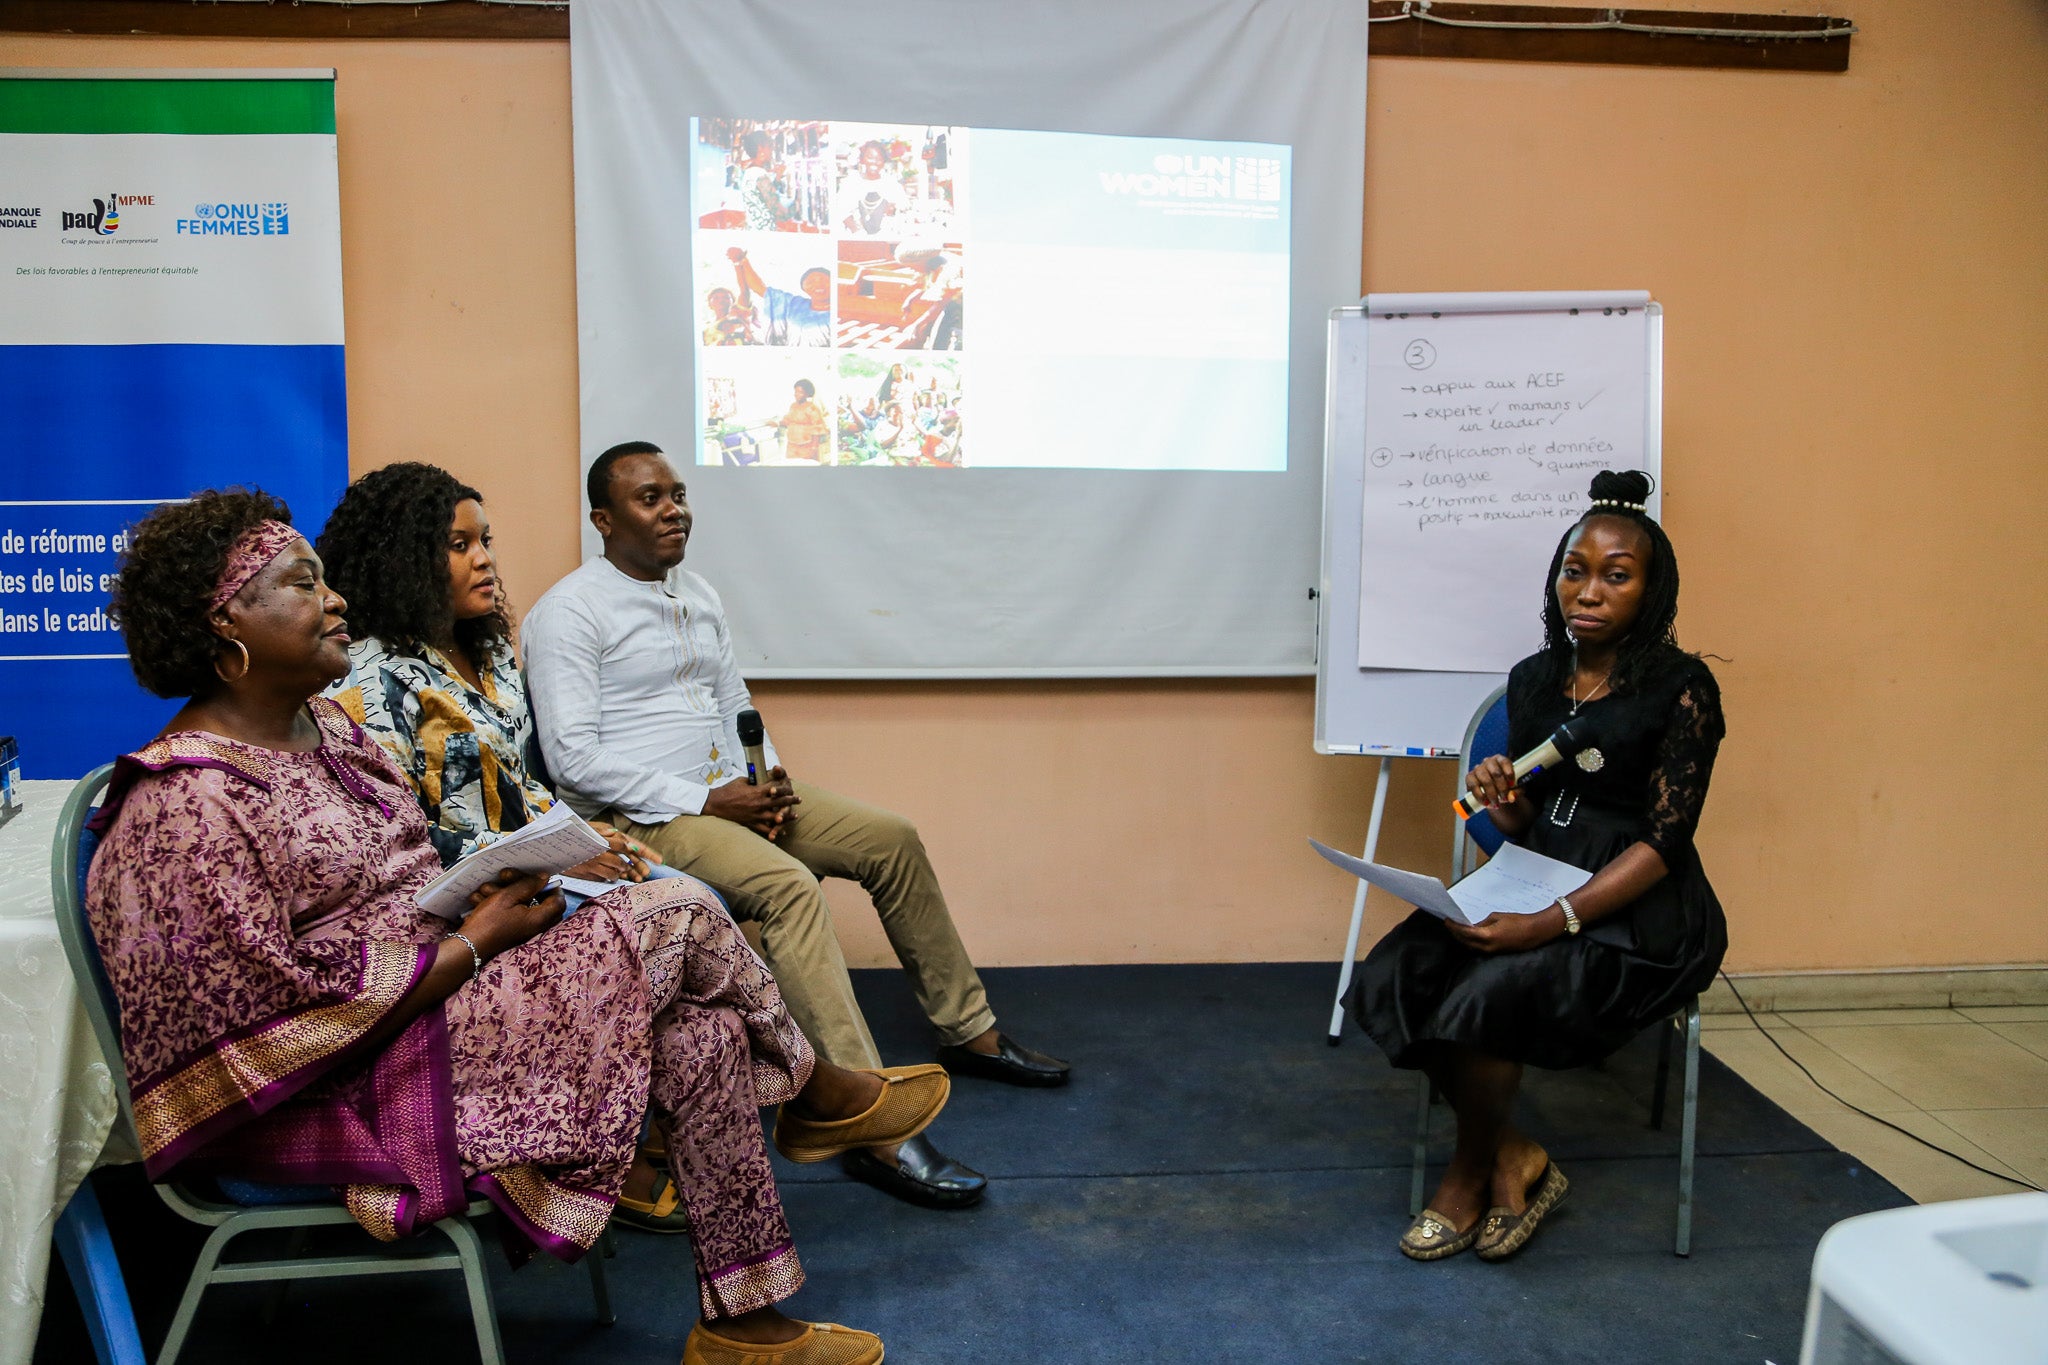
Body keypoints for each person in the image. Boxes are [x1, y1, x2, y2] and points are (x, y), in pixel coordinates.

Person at [90, 489, 950, 1364]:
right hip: (347, 1084)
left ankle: (743, 1325)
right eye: (303, 584)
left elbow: (404, 880)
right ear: (224, 622)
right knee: (682, 911)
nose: (335, 598)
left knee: (707, 1032)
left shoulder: (329, 733)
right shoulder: (183, 804)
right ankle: (815, 1092)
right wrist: (476, 941)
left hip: (435, 1009)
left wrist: (479, 895)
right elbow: (257, 1029)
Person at [522, 443, 1071, 1209]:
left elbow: (734, 702)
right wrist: (707, 801)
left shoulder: (698, 592)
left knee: (891, 836)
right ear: (604, 520)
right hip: (642, 816)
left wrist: (765, 777)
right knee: (786, 887)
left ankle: (968, 1028)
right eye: (651, 498)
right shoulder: (568, 612)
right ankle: (868, 1119)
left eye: (678, 493)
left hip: (730, 791)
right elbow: (573, 759)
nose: (674, 508)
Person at [1351, 469, 1727, 1263]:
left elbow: (1664, 842)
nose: (1587, 591)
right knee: (1396, 971)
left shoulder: (1681, 687)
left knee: (1491, 991)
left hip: (1637, 910)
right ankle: (1514, 1152)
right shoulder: (1534, 678)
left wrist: (1549, 923)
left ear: (1650, 593)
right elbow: (1530, 819)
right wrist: (1501, 801)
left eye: (1615, 575)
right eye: (1574, 570)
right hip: (1537, 871)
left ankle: (1465, 1173)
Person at [315, 463, 700, 1232]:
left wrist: (588, 837)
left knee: (676, 901)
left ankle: (624, 1142)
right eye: (458, 545)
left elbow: (523, 783)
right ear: (404, 559)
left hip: (532, 876)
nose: (485, 558)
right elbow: (405, 833)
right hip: (468, 912)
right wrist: (556, 856)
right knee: (695, 913)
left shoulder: (489, 652)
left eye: (485, 539)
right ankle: (624, 1143)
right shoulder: (366, 680)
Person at [727, 247, 830, 348]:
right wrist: (742, 260)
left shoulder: (841, 310)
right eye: (811, 282)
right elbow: (758, 287)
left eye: (824, 280)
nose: (818, 285)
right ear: (803, 288)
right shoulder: (794, 304)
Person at [835, 140, 907, 237]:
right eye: (870, 157)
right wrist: (857, 232)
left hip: (886, 238)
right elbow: (842, 210)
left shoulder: (891, 183)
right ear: (862, 159)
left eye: (879, 158)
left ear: (884, 160)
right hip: (855, 238)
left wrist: (893, 209)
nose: (874, 162)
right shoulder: (851, 182)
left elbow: (904, 207)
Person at [770, 379, 831, 463]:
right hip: (792, 446)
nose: (796, 394)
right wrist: (776, 423)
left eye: (800, 392)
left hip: (807, 447)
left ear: (807, 394)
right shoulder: (793, 406)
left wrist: (814, 448)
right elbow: (787, 420)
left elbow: (817, 429)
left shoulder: (812, 408)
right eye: (795, 392)